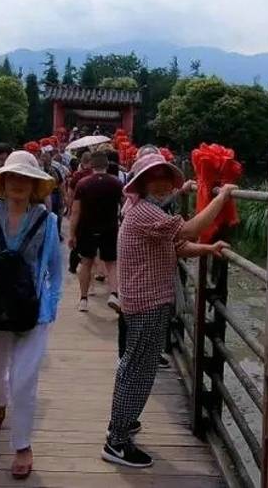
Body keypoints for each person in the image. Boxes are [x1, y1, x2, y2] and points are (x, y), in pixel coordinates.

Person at [101, 152, 235, 468]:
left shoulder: (142, 209)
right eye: (155, 178)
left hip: (144, 299)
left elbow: (176, 245)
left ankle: (122, 422)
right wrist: (223, 196)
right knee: (138, 370)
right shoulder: (144, 212)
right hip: (147, 301)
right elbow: (188, 231)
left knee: (135, 366)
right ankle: (116, 440)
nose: (163, 185)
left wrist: (208, 248)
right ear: (142, 183)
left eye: (166, 178)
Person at [0, 151, 62, 480]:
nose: (18, 183)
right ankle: (0, 402)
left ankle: (22, 444)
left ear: (35, 185)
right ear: (2, 183)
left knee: (24, 381)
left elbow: (55, 270)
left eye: (25, 179)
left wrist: (52, 304)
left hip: (33, 310)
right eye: (12, 177)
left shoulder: (48, 221)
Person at [70, 151, 123, 312]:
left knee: (86, 262)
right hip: (110, 227)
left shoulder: (83, 183)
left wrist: (72, 233)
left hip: (87, 228)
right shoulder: (116, 183)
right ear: (107, 165)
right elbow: (125, 206)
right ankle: (114, 294)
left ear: (91, 165)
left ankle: (84, 299)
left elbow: (76, 211)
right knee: (111, 263)